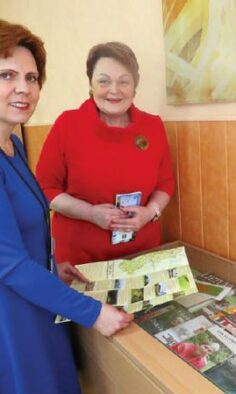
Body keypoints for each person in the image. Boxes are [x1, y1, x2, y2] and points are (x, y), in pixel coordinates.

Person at [0, 20, 133, 394]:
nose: (23, 89)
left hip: (41, 300)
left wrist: (51, 265)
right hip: (13, 318)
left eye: (32, 77)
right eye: (7, 75)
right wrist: (94, 313)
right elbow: (9, 265)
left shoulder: (14, 145)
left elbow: (20, 233)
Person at [36, 41, 175, 266]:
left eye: (123, 81)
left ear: (134, 86)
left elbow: (165, 183)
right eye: (104, 81)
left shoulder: (153, 126)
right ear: (91, 84)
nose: (114, 90)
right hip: (79, 261)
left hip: (142, 254)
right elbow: (45, 188)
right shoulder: (68, 124)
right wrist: (91, 213)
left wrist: (149, 213)